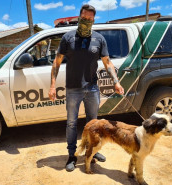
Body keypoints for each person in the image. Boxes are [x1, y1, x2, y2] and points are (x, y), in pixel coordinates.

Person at [48, 4, 124, 172]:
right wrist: (52, 85)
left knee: (94, 123)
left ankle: (93, 152)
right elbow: (57, 61)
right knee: (71, 123)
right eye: (84, 18)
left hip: (92, 88)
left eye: (90, 19)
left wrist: (116, 81)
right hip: (73, 88)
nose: (87, 21)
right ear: (79, 17)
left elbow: (107, 62)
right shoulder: (68, 38)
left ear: (94, 19)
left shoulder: (99, 39)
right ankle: (71, 155)